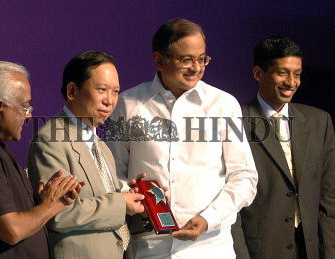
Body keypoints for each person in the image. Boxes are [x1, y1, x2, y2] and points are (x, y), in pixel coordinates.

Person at [107, 18, 258, 258]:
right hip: (150, 247)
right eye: (186, 59)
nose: (196, 67)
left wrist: (209, 219)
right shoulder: (127, 104)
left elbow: (244, 177)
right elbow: (113, 174)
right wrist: (137, 198)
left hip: (211, 248)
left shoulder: (223, 104)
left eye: (202, 59)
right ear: (159, 60)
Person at [27, 51, 146, 259]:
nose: (110, 101)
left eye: (116, 92)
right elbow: (58, 212)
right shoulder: (50, 140)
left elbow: (112, 217)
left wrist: (141, 205)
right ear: (72, 91)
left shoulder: (101, 146)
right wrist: (121, 203)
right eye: (102, 90)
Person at [240, 36, 335, 258]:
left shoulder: (319, 121)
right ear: (258, 73)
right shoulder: (236, 122)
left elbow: (329, 196)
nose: (291, 82)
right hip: (260, 250)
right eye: (282, 73)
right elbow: (231, 203)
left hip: (309, 248)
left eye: (297, 74)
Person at [0, 60, 82, 258]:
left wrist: (40, 201)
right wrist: (52, 204)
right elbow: (12, 231)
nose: (29, 116)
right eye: (24, 107)